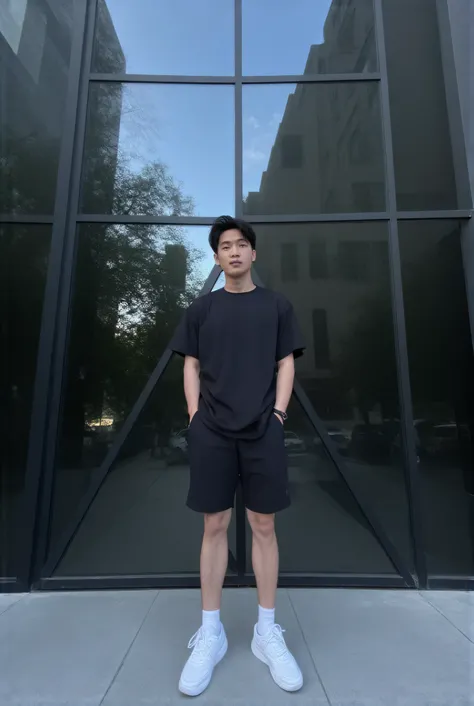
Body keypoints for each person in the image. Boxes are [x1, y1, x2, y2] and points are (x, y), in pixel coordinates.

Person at [170, 216, 305, 697]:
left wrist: (280, 415)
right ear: (216, 256)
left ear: (253, 254)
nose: (233, 252)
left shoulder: (276, 306)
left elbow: (284, 360)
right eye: (225, 245)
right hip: (211, 430)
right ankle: (212, 632)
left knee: (264, 525)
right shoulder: (201, 309)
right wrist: (193, 416)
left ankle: (267, 632)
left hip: (263, 429)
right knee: (214, 526)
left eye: (241, 244)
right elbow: (191, 364)